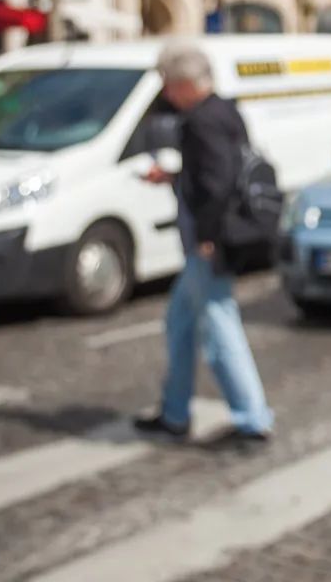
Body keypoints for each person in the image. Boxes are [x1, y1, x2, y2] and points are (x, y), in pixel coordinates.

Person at [134, 42, 273, 447]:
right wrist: (175, 179)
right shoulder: (224, 111)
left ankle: (252, 419)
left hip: (209, 242)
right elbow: (220, 174)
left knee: (219, 325)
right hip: (215, 236)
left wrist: (209, 238)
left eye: (167, 84)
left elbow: (217, 185)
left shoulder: (199, 122)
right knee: (180, 322)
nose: (165, 93)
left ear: (180, 84)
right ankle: (175, 411)